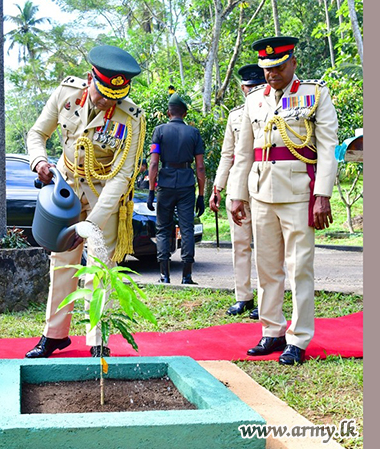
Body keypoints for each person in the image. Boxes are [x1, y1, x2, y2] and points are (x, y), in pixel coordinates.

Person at [25, 45, 146, 358]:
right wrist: (39, 161)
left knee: (99, 267)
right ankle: (54, 335)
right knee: (61, 263)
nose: (108, 103)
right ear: (91, 79)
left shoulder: (131, 117)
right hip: (66, 189)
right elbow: (37, 134)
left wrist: (92, 224)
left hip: (103, 196)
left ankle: (97, 340)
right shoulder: (66, 94)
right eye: (103, 95)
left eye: (115, 97)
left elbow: (123, 176)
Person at [227, 36, 338, 365]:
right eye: (267, 69)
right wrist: (237, 194)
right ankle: (272, 330)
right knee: (267, 267)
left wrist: (322, 195)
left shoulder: (315, 94)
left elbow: (328, 148)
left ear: (293, 63)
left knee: (299, 267)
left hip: (299, 193)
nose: (271, 74)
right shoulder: (254, 101)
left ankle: (298, 338)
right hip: (261, 193)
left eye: (277, 67)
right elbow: (244, 154)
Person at [209, 64, 266, 319]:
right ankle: (243, 296)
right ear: (243, 88)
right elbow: (227, 155)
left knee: (266, 246)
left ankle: (266, 299)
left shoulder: (272, 109)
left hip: (264, 182)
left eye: (258, 86)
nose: (253, 91)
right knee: (240, 245)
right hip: (237, 186)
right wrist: (218, 187)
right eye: (249, 87)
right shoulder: (235, 116)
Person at [146, 93, 206, 284]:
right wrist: (201, 195)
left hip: (165, 184)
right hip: (186, 184)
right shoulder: (194, 133)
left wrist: (151, 191)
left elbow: (153, 163)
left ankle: (164, 276)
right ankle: (187, 276)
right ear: (185, 113)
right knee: (187, 229)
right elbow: (200, 167)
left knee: (163, 229)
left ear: (168, 113)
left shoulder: (159, 131)